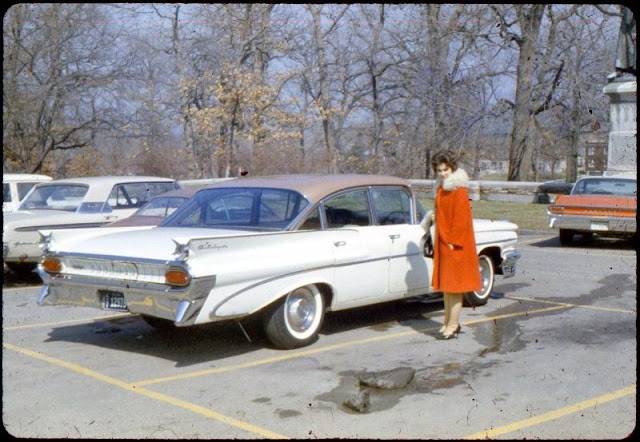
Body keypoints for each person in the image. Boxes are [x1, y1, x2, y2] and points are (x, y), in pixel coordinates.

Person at [420, 150, 481, 339]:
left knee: (454, 287)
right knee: (446, 287)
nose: (442, 173)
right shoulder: (441, 188)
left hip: (455, 245)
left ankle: (453, 325)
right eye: (439, 170)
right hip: (444, 242)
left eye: (445, 169)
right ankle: (447, 321)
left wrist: (453, 243)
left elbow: (462, 220)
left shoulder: (459, 190)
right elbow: (441, 213)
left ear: (452, 167)